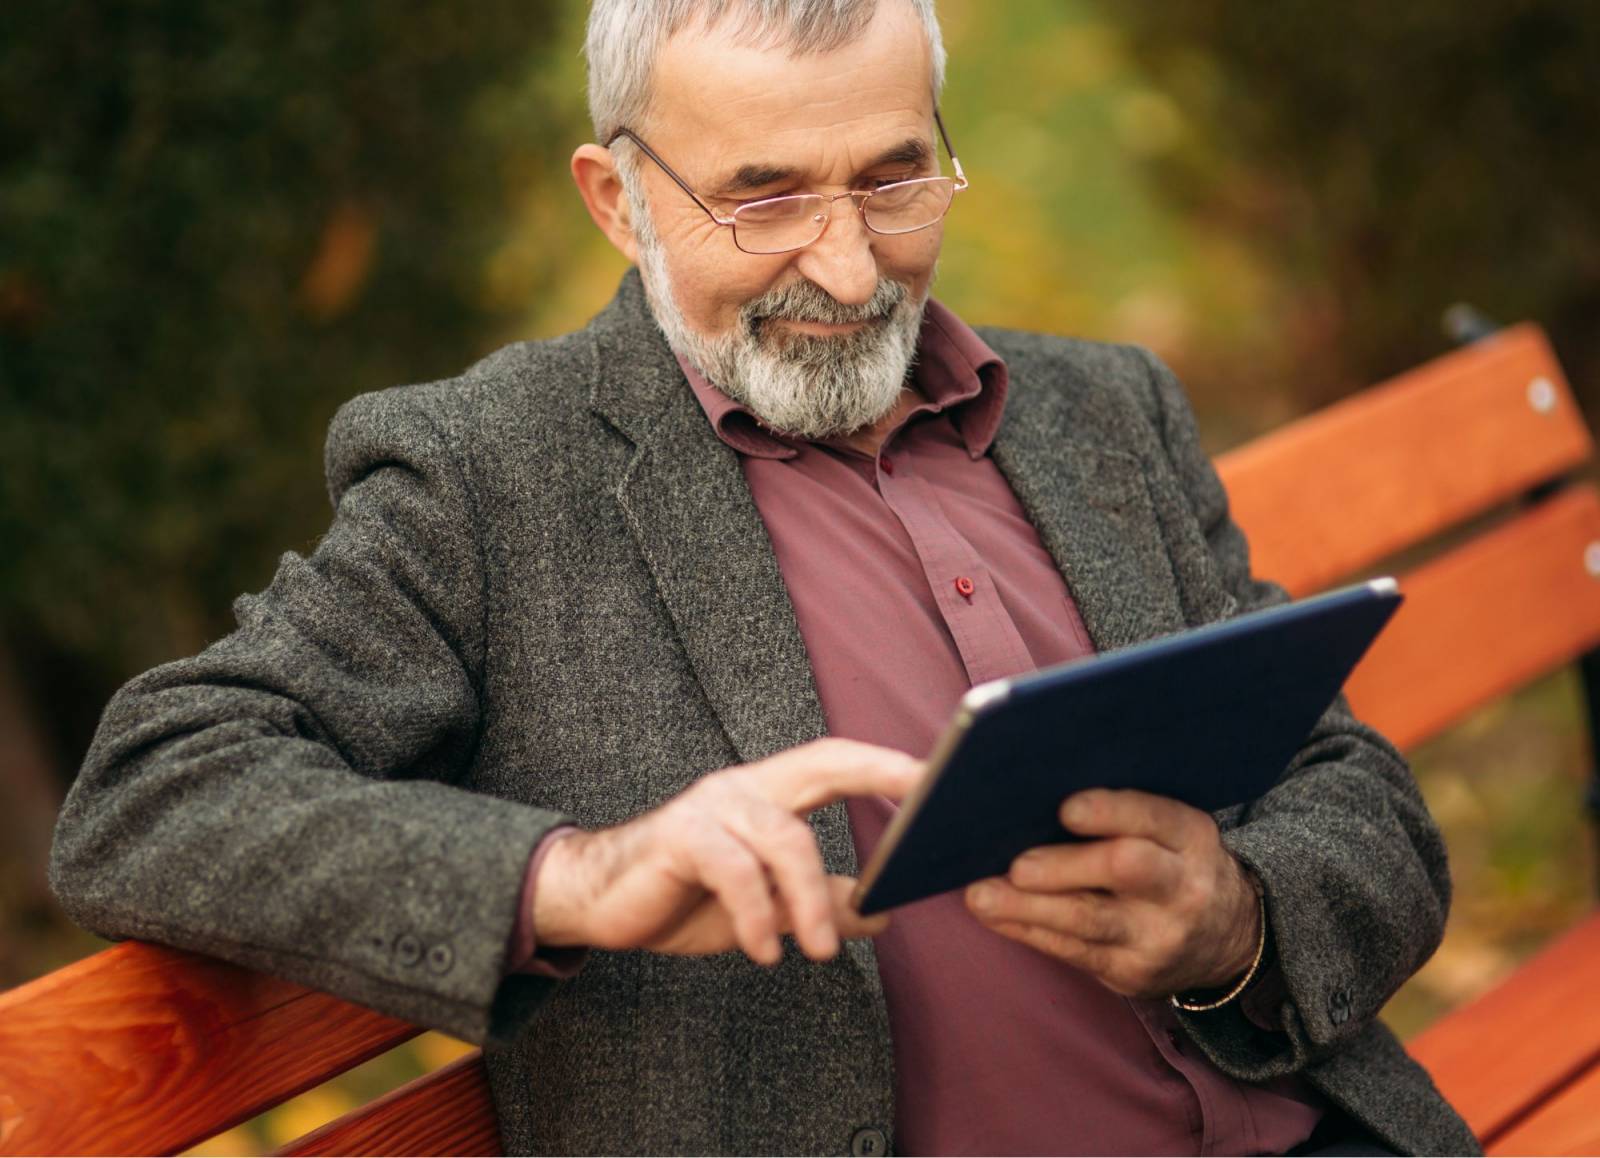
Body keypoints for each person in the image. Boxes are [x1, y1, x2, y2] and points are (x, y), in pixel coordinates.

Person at [50, 1, 1476, 1154]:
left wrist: (1237, 920)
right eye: (766, 199)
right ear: (617, 199)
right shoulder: (488, 474)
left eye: (894, 177)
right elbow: (153, 788)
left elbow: (1357, 794)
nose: (852, 271)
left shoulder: (1105, 408)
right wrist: (574, 873)